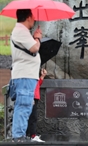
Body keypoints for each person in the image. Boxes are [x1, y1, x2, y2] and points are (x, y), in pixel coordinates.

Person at [10, 9, 42, 142]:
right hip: (24, 75)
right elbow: (34, 48)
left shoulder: (23, 32)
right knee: (23, 105)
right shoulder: (20, 31)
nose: (34, 20)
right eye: (33, 17)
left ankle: (19, 135)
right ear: (28, 17)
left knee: (26, 105)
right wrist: (37, 38)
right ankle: (18, 137)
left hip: (27, 74)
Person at [26, 68, 47, 142]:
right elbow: (29, 87)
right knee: (32, 117)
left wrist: (42, 76)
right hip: (32, 98)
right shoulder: (29, 76)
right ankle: (32, 135)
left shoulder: (34, 76)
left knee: (32, 117)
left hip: (35, 98)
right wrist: (31, 98)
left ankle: (28, 135)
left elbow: (37, 85)